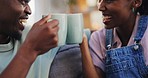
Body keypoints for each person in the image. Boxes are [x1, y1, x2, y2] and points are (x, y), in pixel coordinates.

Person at [80, 0, 148, 78]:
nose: (100, 7)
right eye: (99, 0)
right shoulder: (99, 38)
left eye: (109, 1)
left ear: (136, 2)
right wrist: (83, 43)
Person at [0, 0, 60, 78]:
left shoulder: (37, 36)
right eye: (22, 1)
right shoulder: (33, 43)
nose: (29, 11)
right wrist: (30, 49)